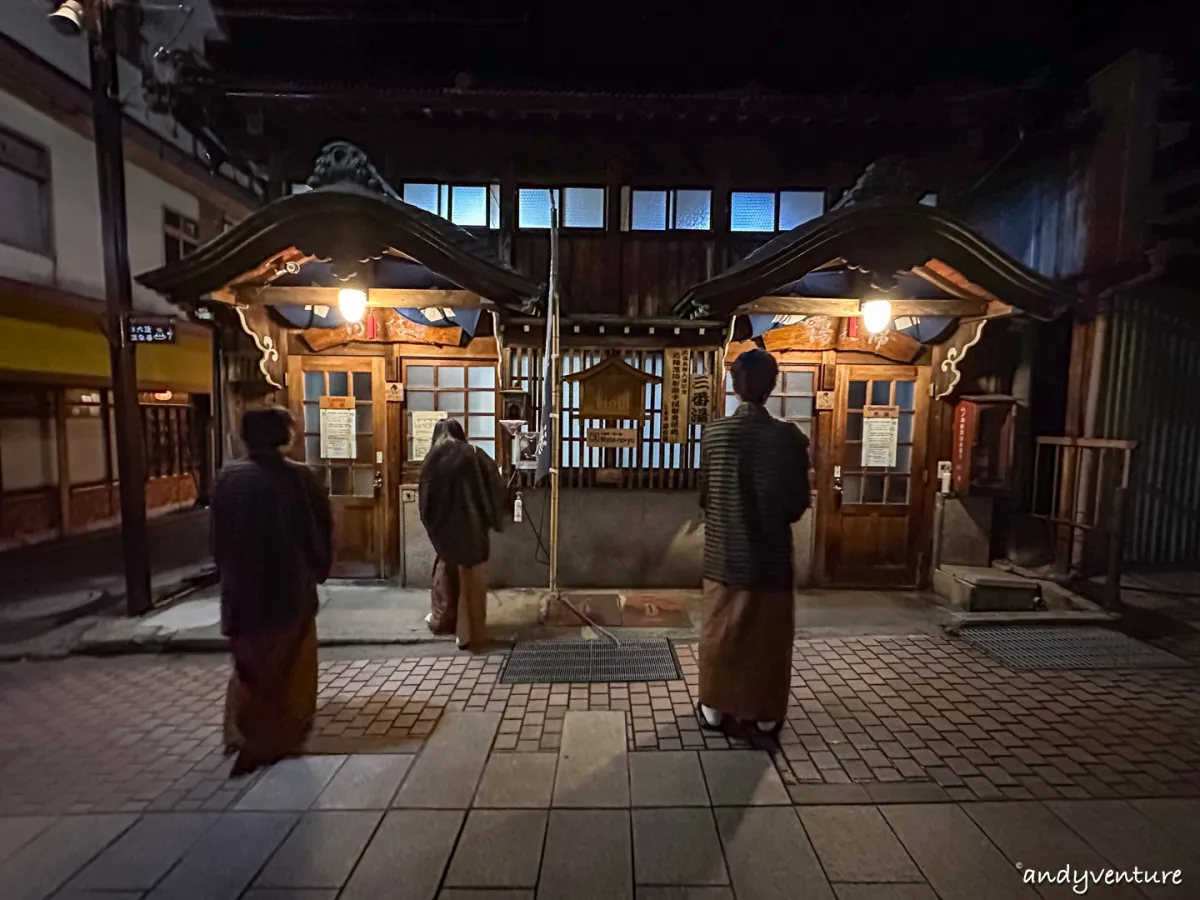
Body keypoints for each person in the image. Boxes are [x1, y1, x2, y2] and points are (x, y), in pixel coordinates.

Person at [696, 349, 811, 736]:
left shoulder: (714, 434)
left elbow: (706, 498)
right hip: (771, 560)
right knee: (768, 641)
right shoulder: (789, 439)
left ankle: (714, 705)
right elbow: (797, 505)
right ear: (772, 386)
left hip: (723, 554)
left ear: (734, 385)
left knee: (719, 633)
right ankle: (763, 713)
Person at [214, 406, 332, 775]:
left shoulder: (227, 478)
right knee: (287, 666)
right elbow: (317, 532)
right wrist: (319, 568)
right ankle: (275, 737)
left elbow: (217, 540)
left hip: (241, 591)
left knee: (249, 665)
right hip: (287, 589)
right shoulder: (298, 478)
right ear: (285, 434)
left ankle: (238, 731)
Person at [419, 418, 508, 651]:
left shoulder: (431, 459)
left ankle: (442, 621)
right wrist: (492, 517)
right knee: (471, 583)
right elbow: (496, 487)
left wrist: (435, 528)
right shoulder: (475, 454)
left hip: (445, 533)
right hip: (472, 529)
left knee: (444, 577)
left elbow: (425, 503)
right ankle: (467, 634)